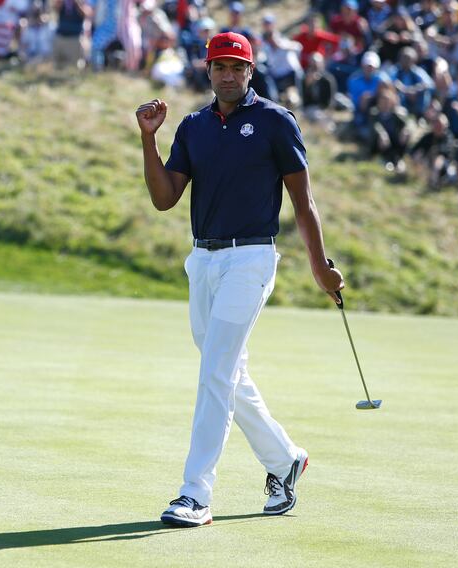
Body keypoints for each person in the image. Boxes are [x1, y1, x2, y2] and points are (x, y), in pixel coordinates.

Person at [135, 31, 344, 527]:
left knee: (214, 373)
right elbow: (165, 198)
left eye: (237, 67)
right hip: (203, 262)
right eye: (219, 67)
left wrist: (319, 265)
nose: (228, 75)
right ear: (208, 72)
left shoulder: (275, 122)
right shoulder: (192, 126)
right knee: (227, 372)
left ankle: (195, 494)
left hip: (250, 261)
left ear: (251, 71)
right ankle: (285, 460)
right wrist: (149, 139)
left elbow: (303, 201)